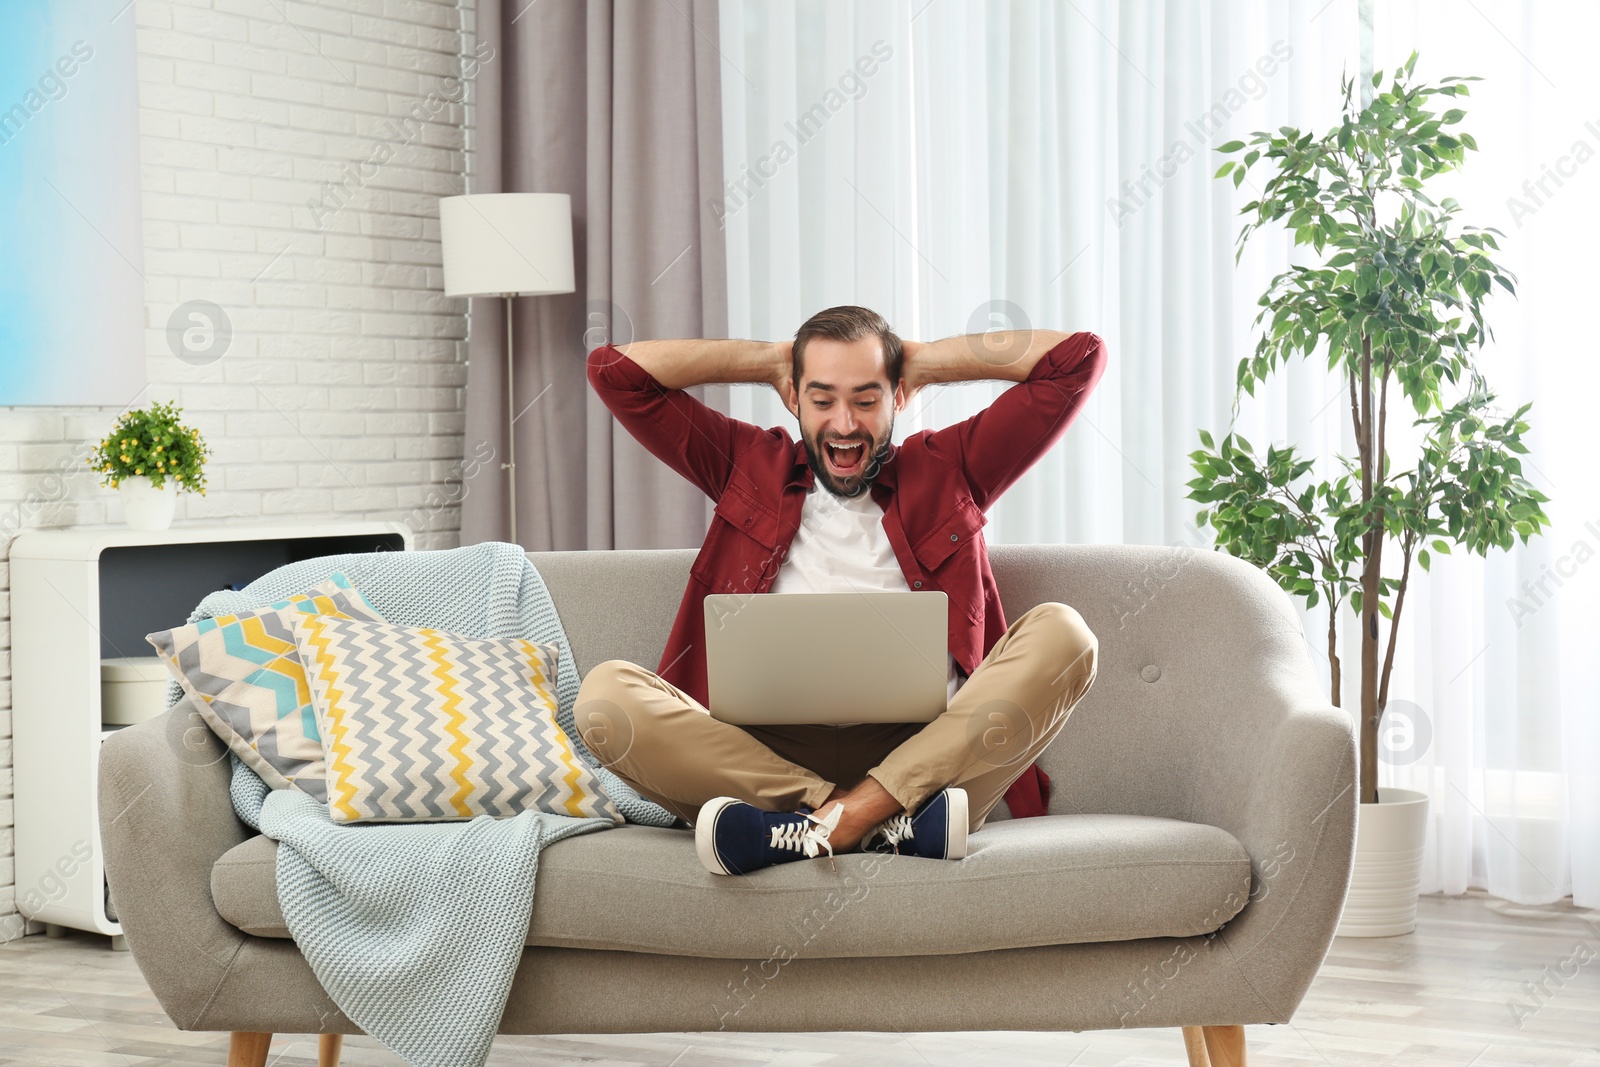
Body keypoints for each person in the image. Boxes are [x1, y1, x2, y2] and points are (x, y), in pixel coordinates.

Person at [576, 305, 1106, 876]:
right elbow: (615, 374)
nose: (845, 425)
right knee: (605, 698)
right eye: (823, 399)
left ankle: (817, 827)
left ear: (897, 397)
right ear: (793, 398)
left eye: (866, 399)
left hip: (929, 754)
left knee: (1065, 635)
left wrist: (924, 363)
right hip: (763, 759)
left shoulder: (950, 467)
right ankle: (880, 825)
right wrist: (769, 361)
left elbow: (1077, 362)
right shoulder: (748, 465)